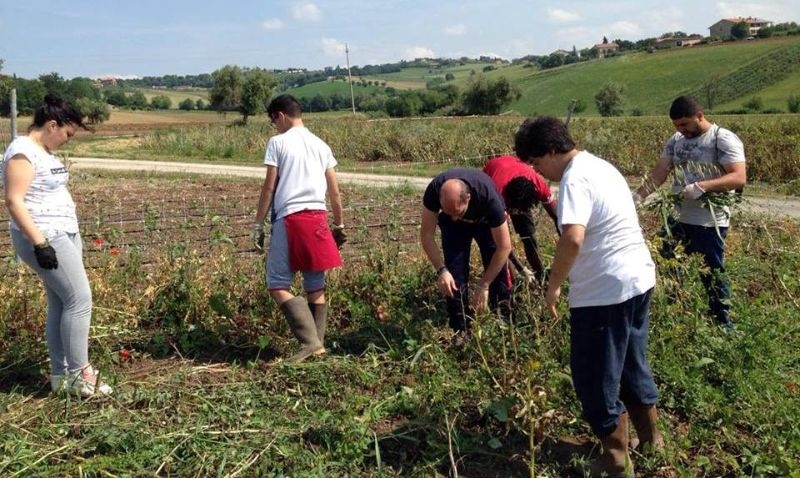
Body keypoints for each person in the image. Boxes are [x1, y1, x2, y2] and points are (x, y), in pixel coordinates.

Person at [515, 116, 662, 477]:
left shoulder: (574, 180)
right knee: (631, 362)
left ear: (551, 151)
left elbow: (573, 238)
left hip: (604, 292)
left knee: (594, 375)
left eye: (536, 162)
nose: (538, 172)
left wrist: (552, 285)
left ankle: (615, 458)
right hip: (637, 279)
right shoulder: (601, 166)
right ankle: (653, 441)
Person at [1, 94, 112, 397]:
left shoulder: (42, 151)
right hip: (45, 236)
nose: (68, 140)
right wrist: (40, 244)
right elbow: (14, 200)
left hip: (62, 233)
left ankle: (61, 376)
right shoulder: (22, 152)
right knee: (80, 300)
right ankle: (80, 374)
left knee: (61, 302)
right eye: (67, 133)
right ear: (52, 125)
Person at [634, 95, 746, 330]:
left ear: (700, 116)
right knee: (668, 267)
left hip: (709, 221)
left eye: (684, 124)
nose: (681, 130)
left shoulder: (721, 139)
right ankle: (674, 319)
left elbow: (738, 177)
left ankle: (723, 326)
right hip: (677, 219)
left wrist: (702, 187)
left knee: (712, 274)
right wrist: (637, 197)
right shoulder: (676, 140)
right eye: (676, 125)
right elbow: (660, 172)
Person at [252, 94, 345, 362]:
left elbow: (270, 186)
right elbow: (335, 192)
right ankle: (319, 347)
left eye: (274, 121)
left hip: (290, 219)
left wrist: (258, 224)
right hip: (318, 219)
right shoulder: (321, 144)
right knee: (315, 285)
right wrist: (338, 224)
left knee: (277, 284)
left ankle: (309, 343)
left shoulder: (278, 142)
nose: (274, 127)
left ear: (279, 116)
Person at [420, 168, 512, 337]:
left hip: (484, 222)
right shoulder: (434, 191)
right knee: (454, 276)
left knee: (496, 274)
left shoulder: (488, 197)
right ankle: (460, 331)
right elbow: (426, 235)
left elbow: (504, 247)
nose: (456, 218)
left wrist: (484, 284)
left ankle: (503, 326)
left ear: (468, 197)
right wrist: (441, 270)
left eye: (458, 212)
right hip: (455, 231)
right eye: (448, 212)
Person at [483, 154, 559, 284]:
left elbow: (558, 217)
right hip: (495, 180)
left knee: (529, 235)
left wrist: (567, 242)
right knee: (501, 244)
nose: (516, 213)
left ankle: (541, 275)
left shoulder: (538, 185)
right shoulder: (495, 197)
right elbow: (502, 244)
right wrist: (521, 268)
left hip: (518, 187)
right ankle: (513, 282)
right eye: (514, 210)